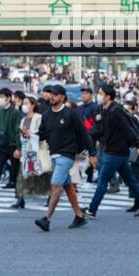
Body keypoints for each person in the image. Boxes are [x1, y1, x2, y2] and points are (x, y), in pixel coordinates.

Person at [85, 83, 139, 220]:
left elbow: (128, 129)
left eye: (101, 93)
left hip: (115, 152)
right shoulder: (103, 109)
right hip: (117, 152)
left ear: (108, 96)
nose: (98, 96)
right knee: (131, 181)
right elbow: (99, 130)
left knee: (103, 181)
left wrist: (137, 145)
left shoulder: (116, 110)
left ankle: (92, 210)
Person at [33, 84, 92, 232]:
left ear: (62, 97)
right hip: (53, 154)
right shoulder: (46, 115)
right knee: (67, 186)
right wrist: (31, 136)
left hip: (67, 155)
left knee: (56, 185)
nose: (52, 97)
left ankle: (47, 219)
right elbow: (43, 134)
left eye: (55, 94)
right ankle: (79, 216)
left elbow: (83, 133)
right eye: (50, 94)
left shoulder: (70, 114)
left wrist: (92, 153)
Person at [0, 88, 22, 208]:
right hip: (2, 146)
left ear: (8, 98)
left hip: (13, 146)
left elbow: (19, 131)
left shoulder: (16, 113)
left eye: (2, 96)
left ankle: (19, 198)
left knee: (16, 173)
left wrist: (19, 147)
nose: (0, 99)